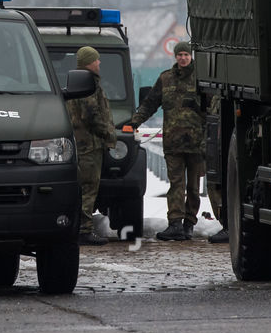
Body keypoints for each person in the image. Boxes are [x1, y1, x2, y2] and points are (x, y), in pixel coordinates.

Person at [125, 41, 224, 242]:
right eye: (179, 55)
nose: (183, 58)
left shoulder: (201, 79)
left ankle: (189, 223)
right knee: (176, 184)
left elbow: (214, 107)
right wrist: (134, 122)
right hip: (173, 143)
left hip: (197, 144)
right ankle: (175, 224)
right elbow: (150, 104)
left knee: (194, 188)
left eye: (186, 55)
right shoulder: (165, 79)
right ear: (175, 57)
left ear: (191, 56)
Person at [67, 45, 116, 246]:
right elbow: (92, 115)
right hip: (89, 145)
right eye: (96, 59)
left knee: (84, 188)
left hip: (82, 143)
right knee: (88, 188)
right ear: (89, 62)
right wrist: (108, 133)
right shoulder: (88, 84)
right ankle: (83, 230)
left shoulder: (79, 81)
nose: (99, 63)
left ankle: (79, 227)